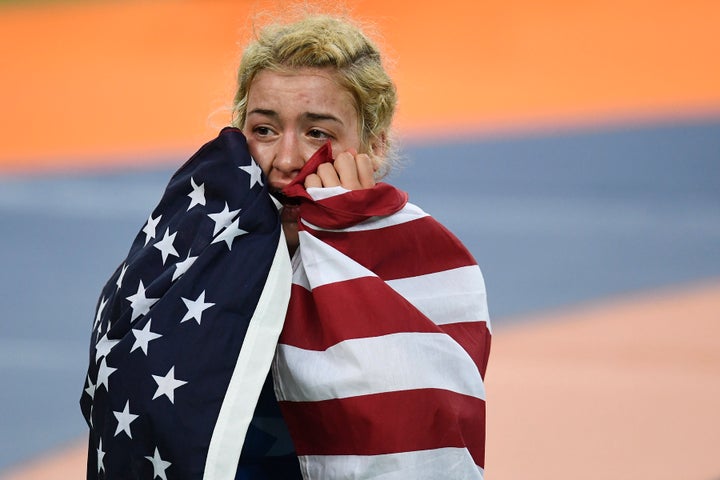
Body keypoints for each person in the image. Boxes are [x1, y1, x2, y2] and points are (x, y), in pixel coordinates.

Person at [81, 10, 490, 480]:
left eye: (319, 132)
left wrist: (350, 247)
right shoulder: (186, 254)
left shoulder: (427, 274)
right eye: (264, 130)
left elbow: (412, 444)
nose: (288, 159)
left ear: (373, 146)